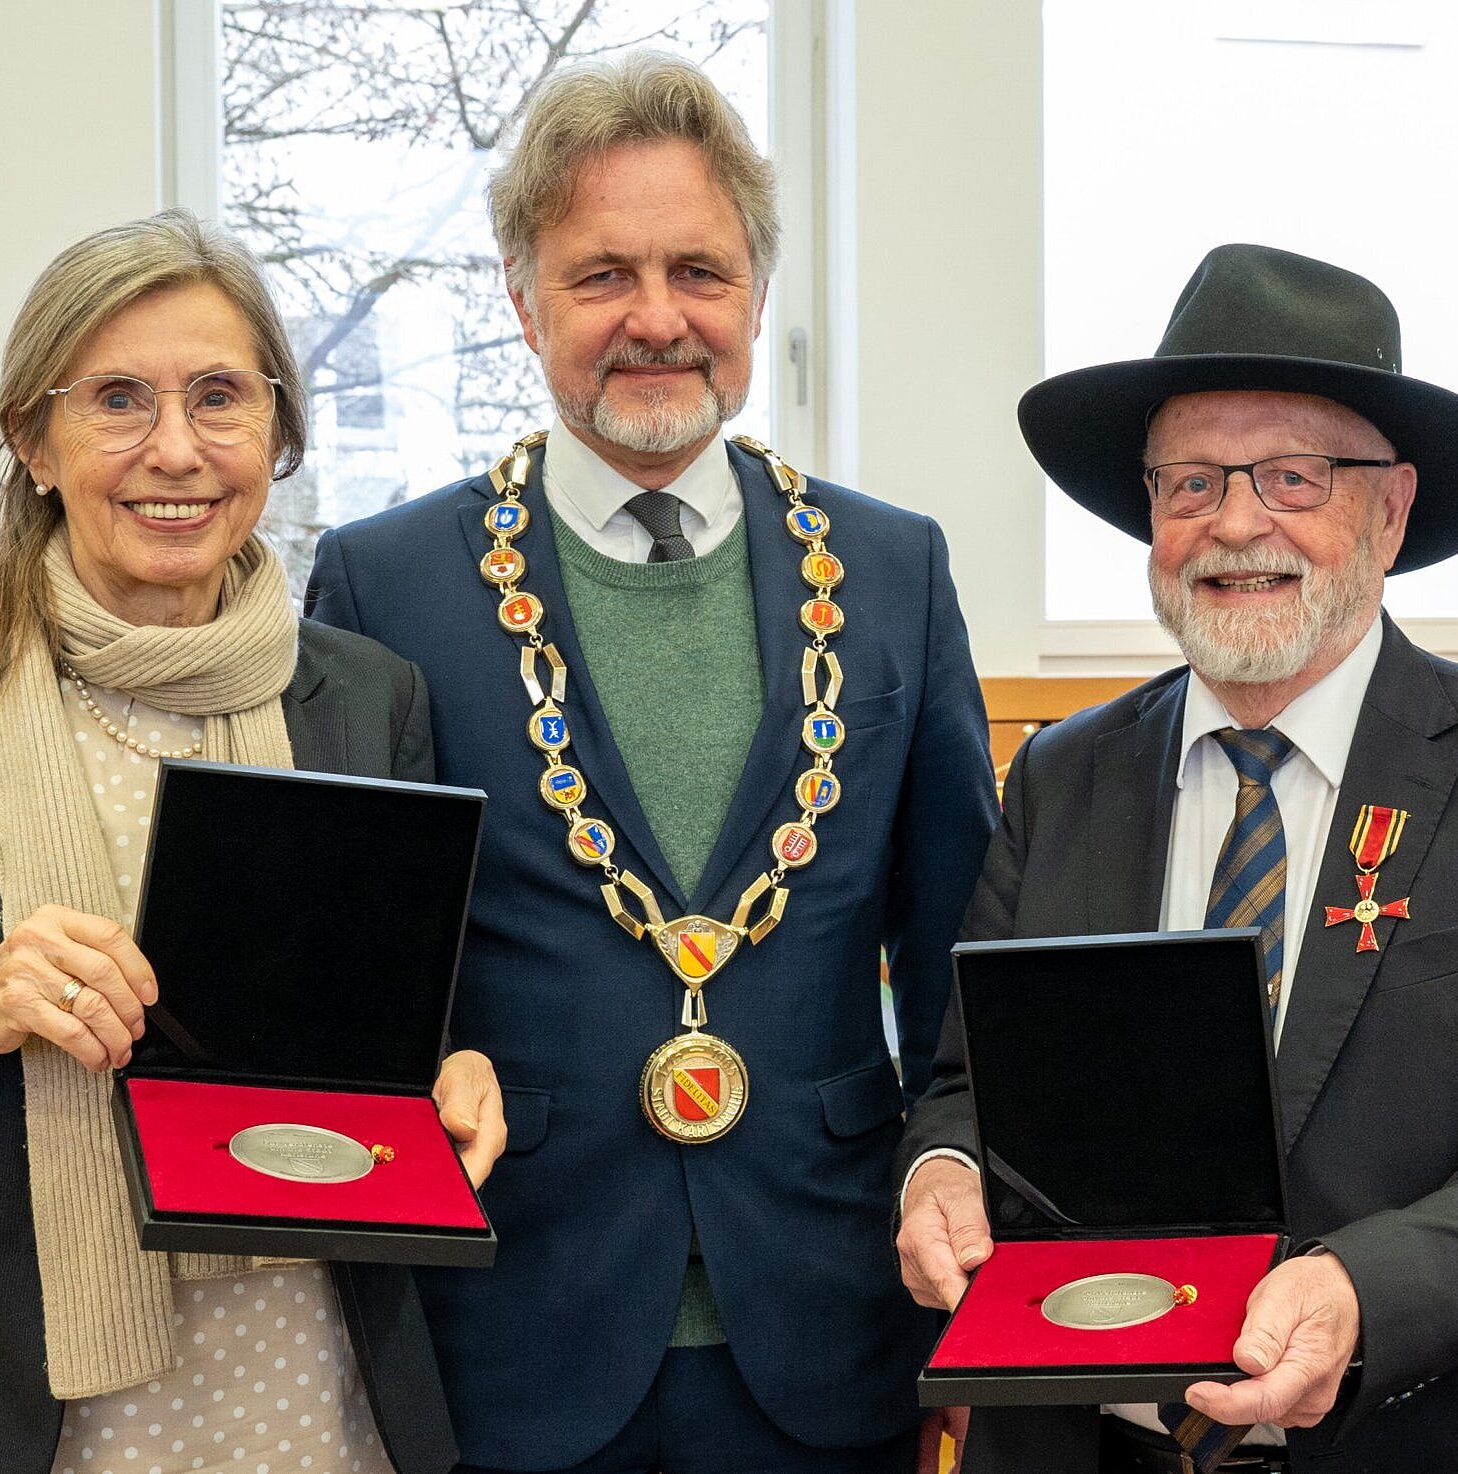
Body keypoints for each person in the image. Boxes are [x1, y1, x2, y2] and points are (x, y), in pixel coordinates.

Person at [305, 50, 997, 1474]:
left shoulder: (891, 571)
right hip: (510, 1317)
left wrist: (964, 1241)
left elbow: (955, 974)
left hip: (826, 1319)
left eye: (699, 270)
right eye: (601, 274)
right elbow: (353, 971)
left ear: (754, 294)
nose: (657, 319)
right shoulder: (386, 585)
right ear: (521, 300)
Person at [0, 209, 506, 1474]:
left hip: (315, 1387)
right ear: (31, 438)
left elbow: (409, 1020)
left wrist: (456, 1070)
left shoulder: (365, 696)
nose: (174, 450)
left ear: (278, 434)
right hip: (7, 1406)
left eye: (220, 398)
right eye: (117, 398)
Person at [896, 242, 1458, 1474]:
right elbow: (969, 1080)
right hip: (1083, 1443)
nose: (1233, 523)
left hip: (1423, 1438)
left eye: (1290, 476)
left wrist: (1355, 1290)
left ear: (1387, 511)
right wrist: (942, 1171)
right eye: (1188, 484)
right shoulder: (1059, 777)